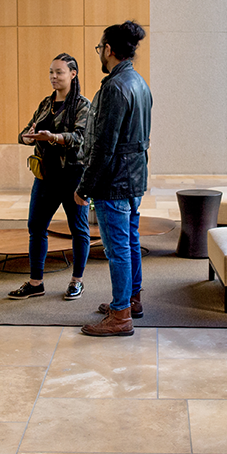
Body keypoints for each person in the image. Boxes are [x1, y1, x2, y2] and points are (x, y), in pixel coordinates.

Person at [76, 21, 152, 337]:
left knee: (117, 248)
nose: (100, 53)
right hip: (134, 179)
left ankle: (121, 316)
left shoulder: (113, 87)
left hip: (115, 182)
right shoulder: (140, 83)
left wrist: (85, 187)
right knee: (130, 242)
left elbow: (104, 146)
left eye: (100, 48)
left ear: (108, 50)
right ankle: (130, 300)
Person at [10, 53, 92, 301]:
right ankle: (36, 283)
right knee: (36, 227)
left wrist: (54, 138)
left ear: (73, 74)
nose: (53, 77)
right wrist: (26, 137)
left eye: (59, 72)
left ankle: (76, 281)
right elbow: (27, 131)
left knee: (79, 229)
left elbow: (80, 139)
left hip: (73, 176)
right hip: (45, 176)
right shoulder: (46, 103)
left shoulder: (82, 105)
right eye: (51, 72)